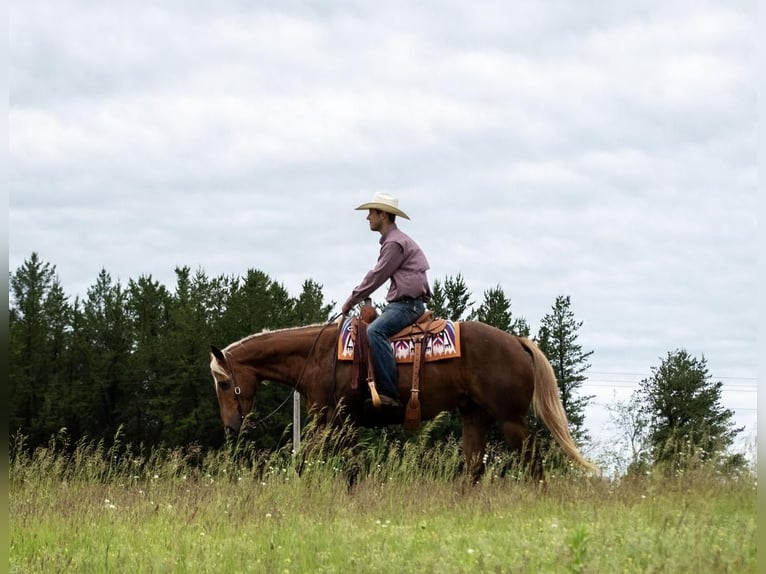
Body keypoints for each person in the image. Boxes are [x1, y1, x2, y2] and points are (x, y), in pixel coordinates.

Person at [342, 192, 432, 408]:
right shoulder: (398, 241)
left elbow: (377, 275)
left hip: (407, 306)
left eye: (371, 213)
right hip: (405, 304)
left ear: (383, 214)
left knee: (375, 331)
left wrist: (352, 300)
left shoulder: (394, 244)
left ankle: (389, 392)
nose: (368, 218)